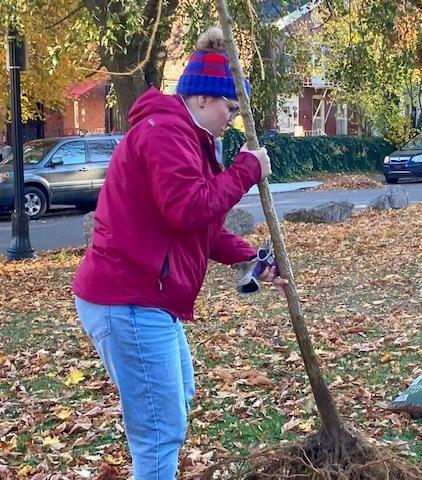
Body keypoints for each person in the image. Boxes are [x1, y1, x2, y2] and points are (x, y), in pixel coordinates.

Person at [73, 27, 286, 479]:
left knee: (177, 397)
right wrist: (247, 169)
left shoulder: (189, 138)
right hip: (127, 298)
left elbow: (200, 231)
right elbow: (189, 209)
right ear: (205, 99)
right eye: (231, 109)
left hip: (147, 298)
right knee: (159, 432)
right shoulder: (166, 133)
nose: (232, 119)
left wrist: (251, 259)